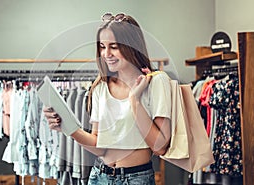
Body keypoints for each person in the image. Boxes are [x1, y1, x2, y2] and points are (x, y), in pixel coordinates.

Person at [43, 12, 172, 185]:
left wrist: (134, 101)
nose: (106, 53)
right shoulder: (100, 87)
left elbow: (160, 146)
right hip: (99, 176)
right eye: (102, 47)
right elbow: (99, 145)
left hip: (136, 178)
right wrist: (68, 128)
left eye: (114, 46)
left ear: (132, 46)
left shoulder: (157, 82)